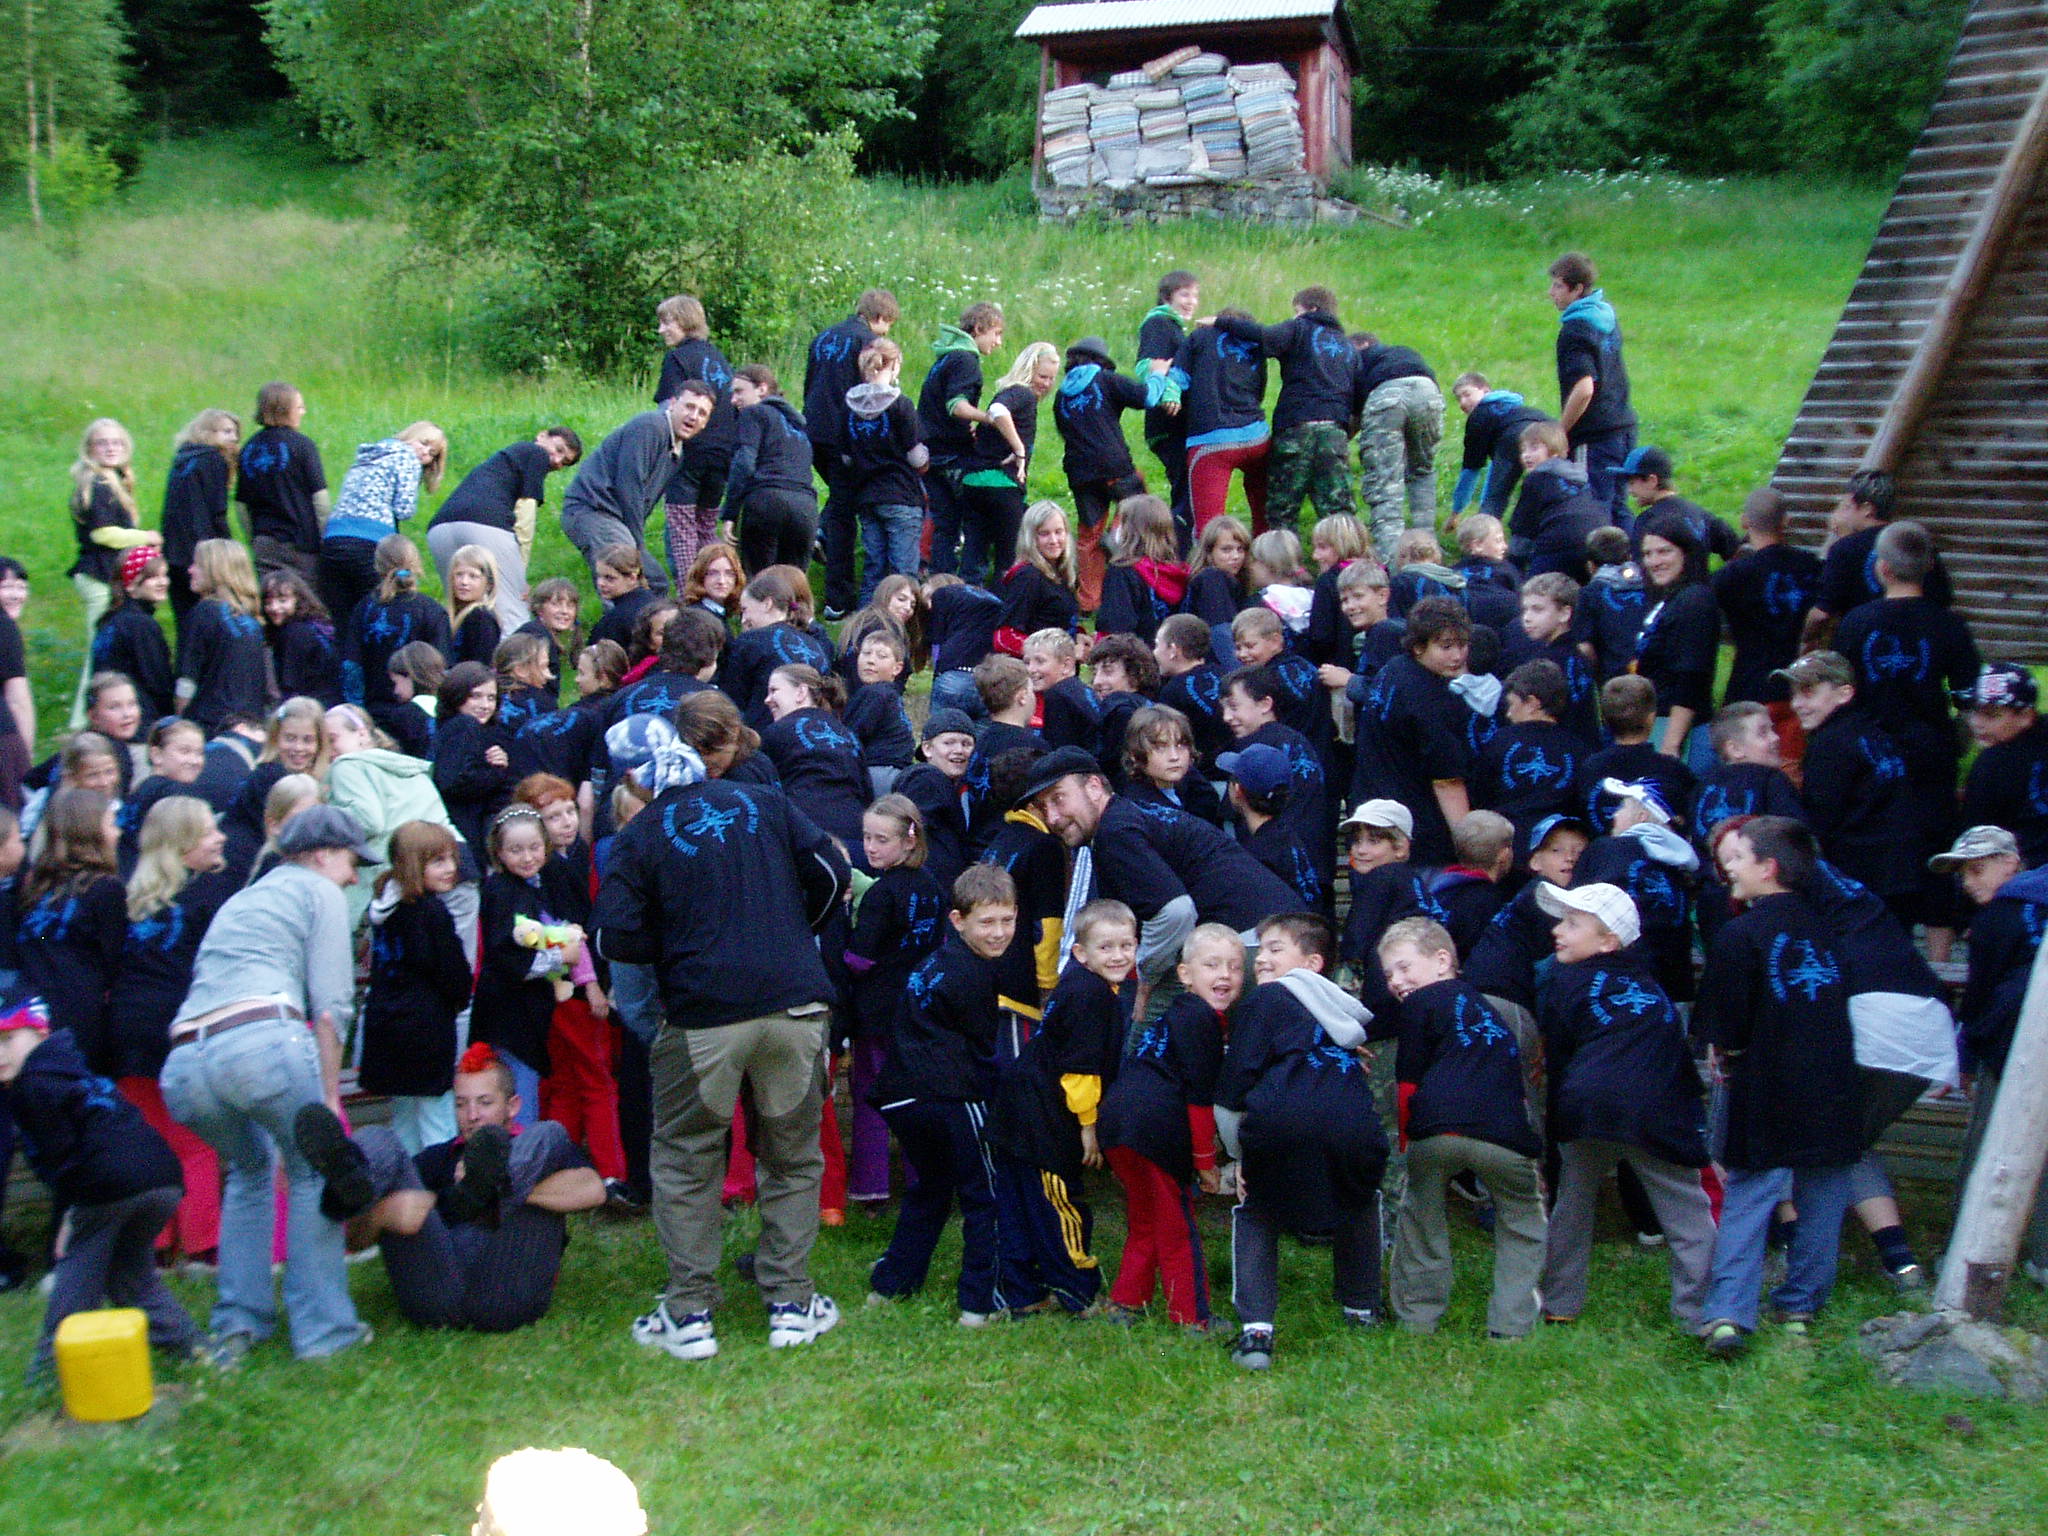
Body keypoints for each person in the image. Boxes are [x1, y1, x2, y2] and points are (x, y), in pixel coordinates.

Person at [594, 694, 851, 1359]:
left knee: (686, 1161)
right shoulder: (766, 802)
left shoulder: (640, 833)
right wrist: (792, 932)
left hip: (702, 1014)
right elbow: (832, 872)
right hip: (794, 1006)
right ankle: (791, 1303)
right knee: (793, 1158)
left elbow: (616, 937)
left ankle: (689, 1314)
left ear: (641, 771)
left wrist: (680, 948)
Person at [161, 805, 374, 1363]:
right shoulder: (319, 892)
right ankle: (325, 1334)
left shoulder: (244, 898)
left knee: (250, 1172)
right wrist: (328, 1099)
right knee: (313, 1170)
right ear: (323, 855)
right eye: (352, 862)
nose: (354, 877)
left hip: (185, 1063)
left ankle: (238, 1325)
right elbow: (331, 1007)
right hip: (260, 1045)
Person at [1695, 816, 1864, 1357]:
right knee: (1824, 1193)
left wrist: (1725, 1051)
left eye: (1737, 859)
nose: (1729, 869)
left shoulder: (1740, 934)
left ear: (1767, 868)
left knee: (1750, 1195)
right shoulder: (1828, 930)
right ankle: (1800, 1305)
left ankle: (1728, 1314)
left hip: (1768, 1084)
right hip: (1833, 1081)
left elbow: (1728, 1024)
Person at [295, 1043, 604, 1333]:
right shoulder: (437, 1158)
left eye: (484, 1103)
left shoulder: (535, 1149)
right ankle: (345, 1180)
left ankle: (495, 1181)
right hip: (437, 1295)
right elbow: (355, 1241)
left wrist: (504, 1192)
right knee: (381, 1139)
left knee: (549, 1131)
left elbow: (594, 1191)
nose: (472, 1116)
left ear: (512, 1106)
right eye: (461, 1104)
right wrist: (383, 1215)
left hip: (505, 1293)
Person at [1534, 883, 1716, 1330]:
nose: (1558, 930)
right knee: (1686, 1214)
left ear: (1608, 942)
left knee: (1573, 1206)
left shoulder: (1565, 980)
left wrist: (1557, 1117)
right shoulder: (1651, 987)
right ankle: (1699, 1311)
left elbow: (1559, 1053)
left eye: (1572, 924)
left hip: (1588, 1103)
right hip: (1655, 1109)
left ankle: (1560, 1304)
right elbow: (1675, 1056)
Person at [867, 863, 1044, 1322]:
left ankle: (892, 1284)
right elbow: (983, 1051)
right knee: (988, 1197)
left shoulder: (934, 963)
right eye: (987, 922)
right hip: (949, 1097)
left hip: (901, 1096)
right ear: (958, 920)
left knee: (930, 1189)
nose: (999, 932)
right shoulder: (976, 976)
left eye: (1008, 920)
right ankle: (981, 1304)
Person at [1215, 912, 1387, 1370]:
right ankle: (1362, 1308)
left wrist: (1238, 1157)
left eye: (1275, 949)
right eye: (1260, 951)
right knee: (1359, 1197)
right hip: (1355, 1124)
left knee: (1258, 1209)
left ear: (1312, 963)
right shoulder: (1341, 1015)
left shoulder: (1268, 998)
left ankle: (1256, 1331)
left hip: (1281, 1120)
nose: (1260, 959)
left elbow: (1235, 1083)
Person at [1, 990, 202, 1382]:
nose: (0, 1053)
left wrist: (70, 1215)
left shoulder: (34, 1084)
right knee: (132, 1280)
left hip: (109, 1185)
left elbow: (62, 1157)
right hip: (161, 1178)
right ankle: (197, 1352)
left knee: (76, 1280)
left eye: (9, 1039)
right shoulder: (76, 1069)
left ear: (40, 1034)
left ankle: (48, 1374)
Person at [1024, 747, 1297, 1013]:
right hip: (1285, 936)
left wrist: (1146, 977)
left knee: (1149, 1028)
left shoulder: (1115, 832)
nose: (1052, 818)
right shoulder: (1126, 816)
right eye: (1042, 807)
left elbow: (1175, 912)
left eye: (1059, 799)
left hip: (1255, 943)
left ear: (1094, 787)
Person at [1382, 916, 1546, 1339]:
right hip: (1505, 1136)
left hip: (1438, 1130)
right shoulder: (1492, 1013)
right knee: (1523, 1223)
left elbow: (1408, 1082)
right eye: (1389, 974)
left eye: (1403, 967)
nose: (1395, 981)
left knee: (1422, 1218)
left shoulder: (1421, 1004)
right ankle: (1511, 1325)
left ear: (1442, 961)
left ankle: (1418, 1317)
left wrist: (1407, 1140)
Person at [1833, 518, 1979, 955]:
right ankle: (1940, 966)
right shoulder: (1949, 626)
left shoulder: (1857, 622)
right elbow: (1968, 697)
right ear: (1929, 566)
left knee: (1876, 861)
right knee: (1937, 862)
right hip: (1932, 754)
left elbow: (1841, 692)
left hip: (1870, 759)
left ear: (1882, 568)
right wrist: (1959, 737)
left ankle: (1878, 959)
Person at [110, 795, 235, 1261]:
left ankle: (154, 1245)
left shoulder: (130, 896)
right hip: (179, 1029)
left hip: (127, 1032)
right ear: (183, 844)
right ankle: (204, 1245)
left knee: (148, 1138)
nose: (220, 838)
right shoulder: (208, 894)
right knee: (196, 1141)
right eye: (209, 832)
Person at [1098, 924, 1236, 1328]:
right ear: (1185, 974)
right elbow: (1199, 1100)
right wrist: (1205, 1163)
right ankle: (1193, 1319)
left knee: (1146, 1217)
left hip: (1117, 1123)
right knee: (1178, 1227)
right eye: (1212, 965)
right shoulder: (1201, 1018)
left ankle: (1126, 1302)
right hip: (1153, 1131)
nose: (1225, 975)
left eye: (1234, 966)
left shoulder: (1175, 1014)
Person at [1945, 826, 2048, 1282]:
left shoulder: (1997, 917)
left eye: (1977, 870)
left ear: (2011, 862)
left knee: (1986, 1150)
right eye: (1963, 875)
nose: (1969, 883)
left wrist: (1966, 1059)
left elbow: (1979, 998)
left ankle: (1965, 1254)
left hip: (2009, 1047)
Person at [843, 795, 947, 1205]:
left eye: (881, 839)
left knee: (872, 1096)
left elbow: (859, 959)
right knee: (917, 1096)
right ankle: (925, 1182)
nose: (870, 847)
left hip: (878, 1013)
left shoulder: (881, 894)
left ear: (909, 840)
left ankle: (871, 1186)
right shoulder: (933, 887)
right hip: (921, 1006)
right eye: (866, 837)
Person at [1779, 651, 1920, 925]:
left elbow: (1820, 820)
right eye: (1793, 693)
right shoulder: (1874, 733)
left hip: (1861, 880)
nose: (1796, 704)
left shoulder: (1830, 744)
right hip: (1901, 873)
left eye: (1808, 692)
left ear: (1844, 693)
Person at [359, 820, 473, 1153]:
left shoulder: (385, 907)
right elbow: (451, 971)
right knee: (437, 1118)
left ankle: (406, 1177)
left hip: (387, 1026)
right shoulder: (430, 912)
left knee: (404, 1116)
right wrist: (459, 994)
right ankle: (439, 1177)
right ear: (412, 864)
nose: (451, 868)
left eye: (451, 859)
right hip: (425, 1030)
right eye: (438, 861)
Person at [1211, 288, 1357, 537]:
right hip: (1334, 428)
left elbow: (1264, 335)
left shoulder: (1300, 327)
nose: (1295, 316)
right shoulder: (1347, 346)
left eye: (1297, 310)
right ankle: (1346, 556)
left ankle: (1284, 557)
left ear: (1311, 309)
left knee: (1282, 509)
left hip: (1296, 427)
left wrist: (1221, 322)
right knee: (1337, 508)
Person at [1350, 597, 1474, 866]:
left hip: (1371, 813)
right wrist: (1469, 848)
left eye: (1462, 645)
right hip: (1416, 834)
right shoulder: (1431, 698)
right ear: (1418, 647)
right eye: (1446, 647)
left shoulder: (1393, 669)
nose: (1457, 656)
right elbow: (1447, 781)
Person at [558, 385, 713, 597]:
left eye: (702, 413)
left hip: (612, 518)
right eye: (689, 406)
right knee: (631, 581)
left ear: (705, 423)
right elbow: (630, 486)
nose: (693, 416)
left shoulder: (677, 451)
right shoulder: (651, 426)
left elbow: (645, 499)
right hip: (592, 511)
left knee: (653, 582)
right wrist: (638, 546)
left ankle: (638, 616)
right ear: (673, 404)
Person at [17, 786, 127, 1076]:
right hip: (82, 1013)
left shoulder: (37, 889)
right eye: (111, 824)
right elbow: (114, 959)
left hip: (34, 1012)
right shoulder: (105, 889)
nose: (118, 833)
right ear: (90, 832)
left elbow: (45, 938)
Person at [429, 428, 583, 634]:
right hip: (485, 524)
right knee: (513, 614)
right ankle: (519, 653)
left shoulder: (499, 463)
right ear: (542, 436)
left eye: (564, 462)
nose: (556, 460)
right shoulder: (535, 452)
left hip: (439, 529)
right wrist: (519, 573)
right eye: (559, 449)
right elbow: (525, 514)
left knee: (461, 610)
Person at [805, 288, 900, 616]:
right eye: (888, 325)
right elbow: (871, 393)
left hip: (813, 429)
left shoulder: (822, 337)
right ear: (880, 318)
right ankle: (838, 599)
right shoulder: (869, 344)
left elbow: (809, 383)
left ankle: (820, 529)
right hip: (843, 433)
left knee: (840, 496)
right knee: (844, 518)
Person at [66, 418, 163, 730]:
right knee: (100, 650)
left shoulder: (112, 480)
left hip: (100, 575)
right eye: (102, 443)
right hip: (97, 576)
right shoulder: (99, 483)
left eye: (117, 443)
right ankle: (83, 721)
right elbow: (103, 533)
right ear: (89, 449)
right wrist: (145, 537)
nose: (111, 448)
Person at [1712, 487, 1823, 744]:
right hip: (1801, 687)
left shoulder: (1734, 575)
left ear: (1744, 522)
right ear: (1786, 521)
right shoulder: (1812, 566)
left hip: (1750, 686)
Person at [1800, 468, 1953, 652]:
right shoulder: (1916, 543)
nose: (1843, 515)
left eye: (1847, 507)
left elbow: (1822, 614)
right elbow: (1942, 598)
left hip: (1861, 647)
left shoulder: (1844, 549)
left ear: (1867, 509)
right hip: (1917, 646)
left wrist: (1805, 640)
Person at [1691, 703, 1805, 945]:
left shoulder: (1701, 786)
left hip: (1712, 899)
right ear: (1735, 748)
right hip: (1761, 902)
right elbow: (1795, 836)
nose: (1775, 738)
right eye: (1763, 733)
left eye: (1773, 730)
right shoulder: (1772, 780)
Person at [318, 422, 448, 626]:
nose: (425, 453)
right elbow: (404, 509)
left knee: (341, 619)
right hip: (368, 542)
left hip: (333, 539)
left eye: (432, 453)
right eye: (423, 443)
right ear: (409, 437)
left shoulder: (369, 455)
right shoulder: (406, 457)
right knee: (374, 615)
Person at [1053, 337, 1149, 612]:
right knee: (1140, 507)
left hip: (1079, 472)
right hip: (1113, 465)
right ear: (1100, 361)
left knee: (1088, 534)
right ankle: (1117, 536)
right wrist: (1157, 376)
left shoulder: (1061, 394)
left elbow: (1064, 431)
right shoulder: (1106, 379)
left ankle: (1088, 601)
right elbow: (1145, 397)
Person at [1161, 309, 1270, 536]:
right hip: (1257, 438)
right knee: (1265, 517)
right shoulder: (1256, 344)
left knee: (1208, 527)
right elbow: (1259, 391)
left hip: (1212, 441)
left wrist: (1168, 398)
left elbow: (1177, 380)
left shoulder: (1199, 337)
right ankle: (1267, 552)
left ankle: (1215, 557)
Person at [918, 301, 1007, 579]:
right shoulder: (966, 360)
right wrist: (990, 419)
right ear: (978, 329)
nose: (998, 342)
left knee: (945, 523)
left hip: (931, 455)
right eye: (996, 333)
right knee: (975, 520)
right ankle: (970, 583)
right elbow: (956, 405)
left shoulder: (944, 359)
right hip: (954, 455)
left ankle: (939, 582)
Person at [652, 294, 737, 582]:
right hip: (723, 455)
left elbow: (669, 408)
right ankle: (718, 588)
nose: (661, 330)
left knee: (682, 530)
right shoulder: (719, 358)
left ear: (685, 321)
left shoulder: (677, 358)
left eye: (667, 323)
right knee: (706, 527)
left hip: (691, 452)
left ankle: (689, 593)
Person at [1548, 252, 1636, 520]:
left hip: (1595, 436)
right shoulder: (1606, 317)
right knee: (1618, 507)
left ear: (1577, 289)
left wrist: (1561, 432)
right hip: (1624, 425)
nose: (1551, 293)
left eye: (1558, 286)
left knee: (1593, 509)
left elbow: (1584, 388)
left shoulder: (1575, 329)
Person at [1633, 508, 1721, 769]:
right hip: (1658, 723)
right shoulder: (1669, 599)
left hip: (1683, 732)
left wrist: (1671, 744)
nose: (1654, 561)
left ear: (1686, 553)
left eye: (1664, 551)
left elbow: (1691, 677)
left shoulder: (1694, 601)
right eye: (1648, 553)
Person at [843, 339, 927, 603]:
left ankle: (866, 619)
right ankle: (906, 623)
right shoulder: (901, 405)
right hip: (901, 493)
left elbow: (846, 457)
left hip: (866, 495)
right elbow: (916, 456)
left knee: (874, 570)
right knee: (904, 573)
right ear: (895, 365)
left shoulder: (848, 406)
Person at [1353, 330, 1443, 556]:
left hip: (1386, 396)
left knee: (1385, 483)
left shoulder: (1359, 360)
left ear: (1362, 345)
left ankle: (1392, 558)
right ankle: (1428, 550)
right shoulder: (1404, 352)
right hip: (1427, 391)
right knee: (1422, 470)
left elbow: (1354, 412)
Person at [343, 535, 452, 710]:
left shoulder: (364, 609)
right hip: (419, 711)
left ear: (377, 566)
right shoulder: (431, 610)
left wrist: (357, 708)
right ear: (417, 565)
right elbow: (442, 667)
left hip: (374, 708)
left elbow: (352, 666)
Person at [237, 382, 327, 584]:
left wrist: (254, 538)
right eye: (299, 407)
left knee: (272, 595)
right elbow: (320, 499)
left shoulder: (248, 449)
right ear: (285, 410)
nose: (303, 412)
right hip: (301, 544)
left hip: (264, 543)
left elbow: (241, 505)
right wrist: (323, 538)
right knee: (306, 598)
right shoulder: (303, 445)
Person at [1960, 662, 2048, 865]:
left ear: (2026, 716)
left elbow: (1976, 834)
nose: (1977, 723)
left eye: (1991, 715)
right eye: (1974, 711)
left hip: (2019, 867)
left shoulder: (1991, 764)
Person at [177, 539, 268, 734]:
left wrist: (180, 722)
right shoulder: (253, 623)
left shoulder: (203, 612)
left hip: (210, 727)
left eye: (197, 565)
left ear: (216, 571)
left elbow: (187, 680)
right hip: (250, 727)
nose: (190, 570)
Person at [161, 408, 241, 630]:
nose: (234, 438)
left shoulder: (182, 459)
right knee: (211, 617)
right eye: (226, 431)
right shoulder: (213, 459)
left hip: (174, 552)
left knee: (185, 618)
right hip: (202, 551)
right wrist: (228, 548)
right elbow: (217, 511)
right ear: (207, 432)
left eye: (235, 432)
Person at [1497, 571, 1597, 743]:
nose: (1527, 618)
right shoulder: (1578, 656)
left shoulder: (1546, 664)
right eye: (1525, 610)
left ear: (1564, 613)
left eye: (1537, 609)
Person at [1137, 269, 1199, 537]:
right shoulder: (1159, 323)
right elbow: (1150, 366)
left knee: (1186, 487)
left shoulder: (1172, 326)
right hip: (1168, 423)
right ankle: (1178, 545)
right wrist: (1169, 395)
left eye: (1195, 296)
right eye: (1184, 295)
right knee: (1185, 491)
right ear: (1166, 297)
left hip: (1174, 425)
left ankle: (1178, 542)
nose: (1191, 301)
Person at [433, 661, 516, 853]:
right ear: (457, 695)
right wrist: (496, 771)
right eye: (476, 696)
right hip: (465, 829)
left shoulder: (459, 728)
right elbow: (455, 781)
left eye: (491, 698)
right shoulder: (464, 725)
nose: (485, 705)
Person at [1450, 372, 1551, 525]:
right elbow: (1496, 465)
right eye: (1459, 399)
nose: (1462, 402)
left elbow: (1471, 470)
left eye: (1467, 394)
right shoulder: (1514, 407)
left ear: (1485, 390)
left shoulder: (1478, 417)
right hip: (1549, 430)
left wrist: (1456, 512)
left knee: (1496, 498)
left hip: (1513, 440)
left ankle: (1483, 532)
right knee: (1549, 486)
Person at [1508, 421, 1604, 581]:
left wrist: (1512, 567)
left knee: (1536, 589)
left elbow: (1523, 527)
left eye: (1534, 448)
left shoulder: (1537, 478)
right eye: (1523, 450)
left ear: (1554, 451)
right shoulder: (1581, 479)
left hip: (1557, 545)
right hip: (1593, 544)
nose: (1526, 455)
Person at [91, 547, 176, 722]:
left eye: (164, 575)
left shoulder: (111, 620)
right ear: (131, 585)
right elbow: (159, 684)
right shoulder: (140, 625)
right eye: (153, 577)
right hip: (139, 720)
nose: (163, 582)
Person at [898, 709, 977, 893]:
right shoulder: (926, 780)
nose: (959, 750)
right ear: (927, 749)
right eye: (949, 743)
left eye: (966, 744)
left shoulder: (961, 788)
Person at [994, 501, 1081, 654]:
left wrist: (1079, 636)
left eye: (1059, 532)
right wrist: (1055, 653)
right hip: (1034, 666)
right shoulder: (1027, 576)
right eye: (1044, 534)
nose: (1053, 540)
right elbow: (1005, 637)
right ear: (1030, 537)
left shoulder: (1064, 572)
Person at [261, 571, 343, 706]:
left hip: (312, 708)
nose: (274, 608)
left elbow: (290, 687)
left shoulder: (293, 634)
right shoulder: (318, 625)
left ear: (299, 599)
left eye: (282, 601)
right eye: (268, 602)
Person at [1578, 524, 1646, 683]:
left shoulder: (1590, 593)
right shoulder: (1651, 582)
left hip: (1616, 677)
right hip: (1655, 670)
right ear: (1629, 557)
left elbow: (1586, 648)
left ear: (1591, 566)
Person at [445, 544, 505, 668]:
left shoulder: (481, 617)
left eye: (473, 576)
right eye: (459, 574)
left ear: (489, 584)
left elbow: (480, 667)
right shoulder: (449, 614)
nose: (464, 582)